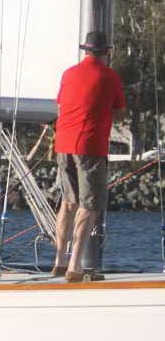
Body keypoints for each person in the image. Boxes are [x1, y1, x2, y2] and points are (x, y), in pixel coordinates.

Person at [51, 30, 126, 283]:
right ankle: (75, 267)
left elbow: (60, 105)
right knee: (89, 206)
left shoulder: (69, 73)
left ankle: (59, 261)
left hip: (63, 144)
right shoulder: (110, 77)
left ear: (85, 50)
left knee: (68, 203)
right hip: (91, 146)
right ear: (107, 52)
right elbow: (119, 112)